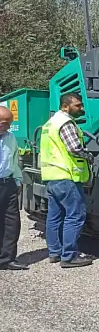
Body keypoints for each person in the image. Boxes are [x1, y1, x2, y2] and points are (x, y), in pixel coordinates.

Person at [39, 93, 94, 268]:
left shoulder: (49, 124)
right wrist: (90, 155)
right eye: (78, 105)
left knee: (54, 217)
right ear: (65, 106)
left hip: (51, 177)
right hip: (66, 176)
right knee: (76, 215)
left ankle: (54, 252)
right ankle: (69, 256)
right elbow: (74, 148)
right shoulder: (66, 123)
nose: (82, 108)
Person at [0, 106, 29, 270]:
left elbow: (14, 159)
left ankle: (7, 259)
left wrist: (18, 181)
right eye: (5, 123)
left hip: (8, 183)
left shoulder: (10, 137)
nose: (9, 127)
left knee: (12, 222)